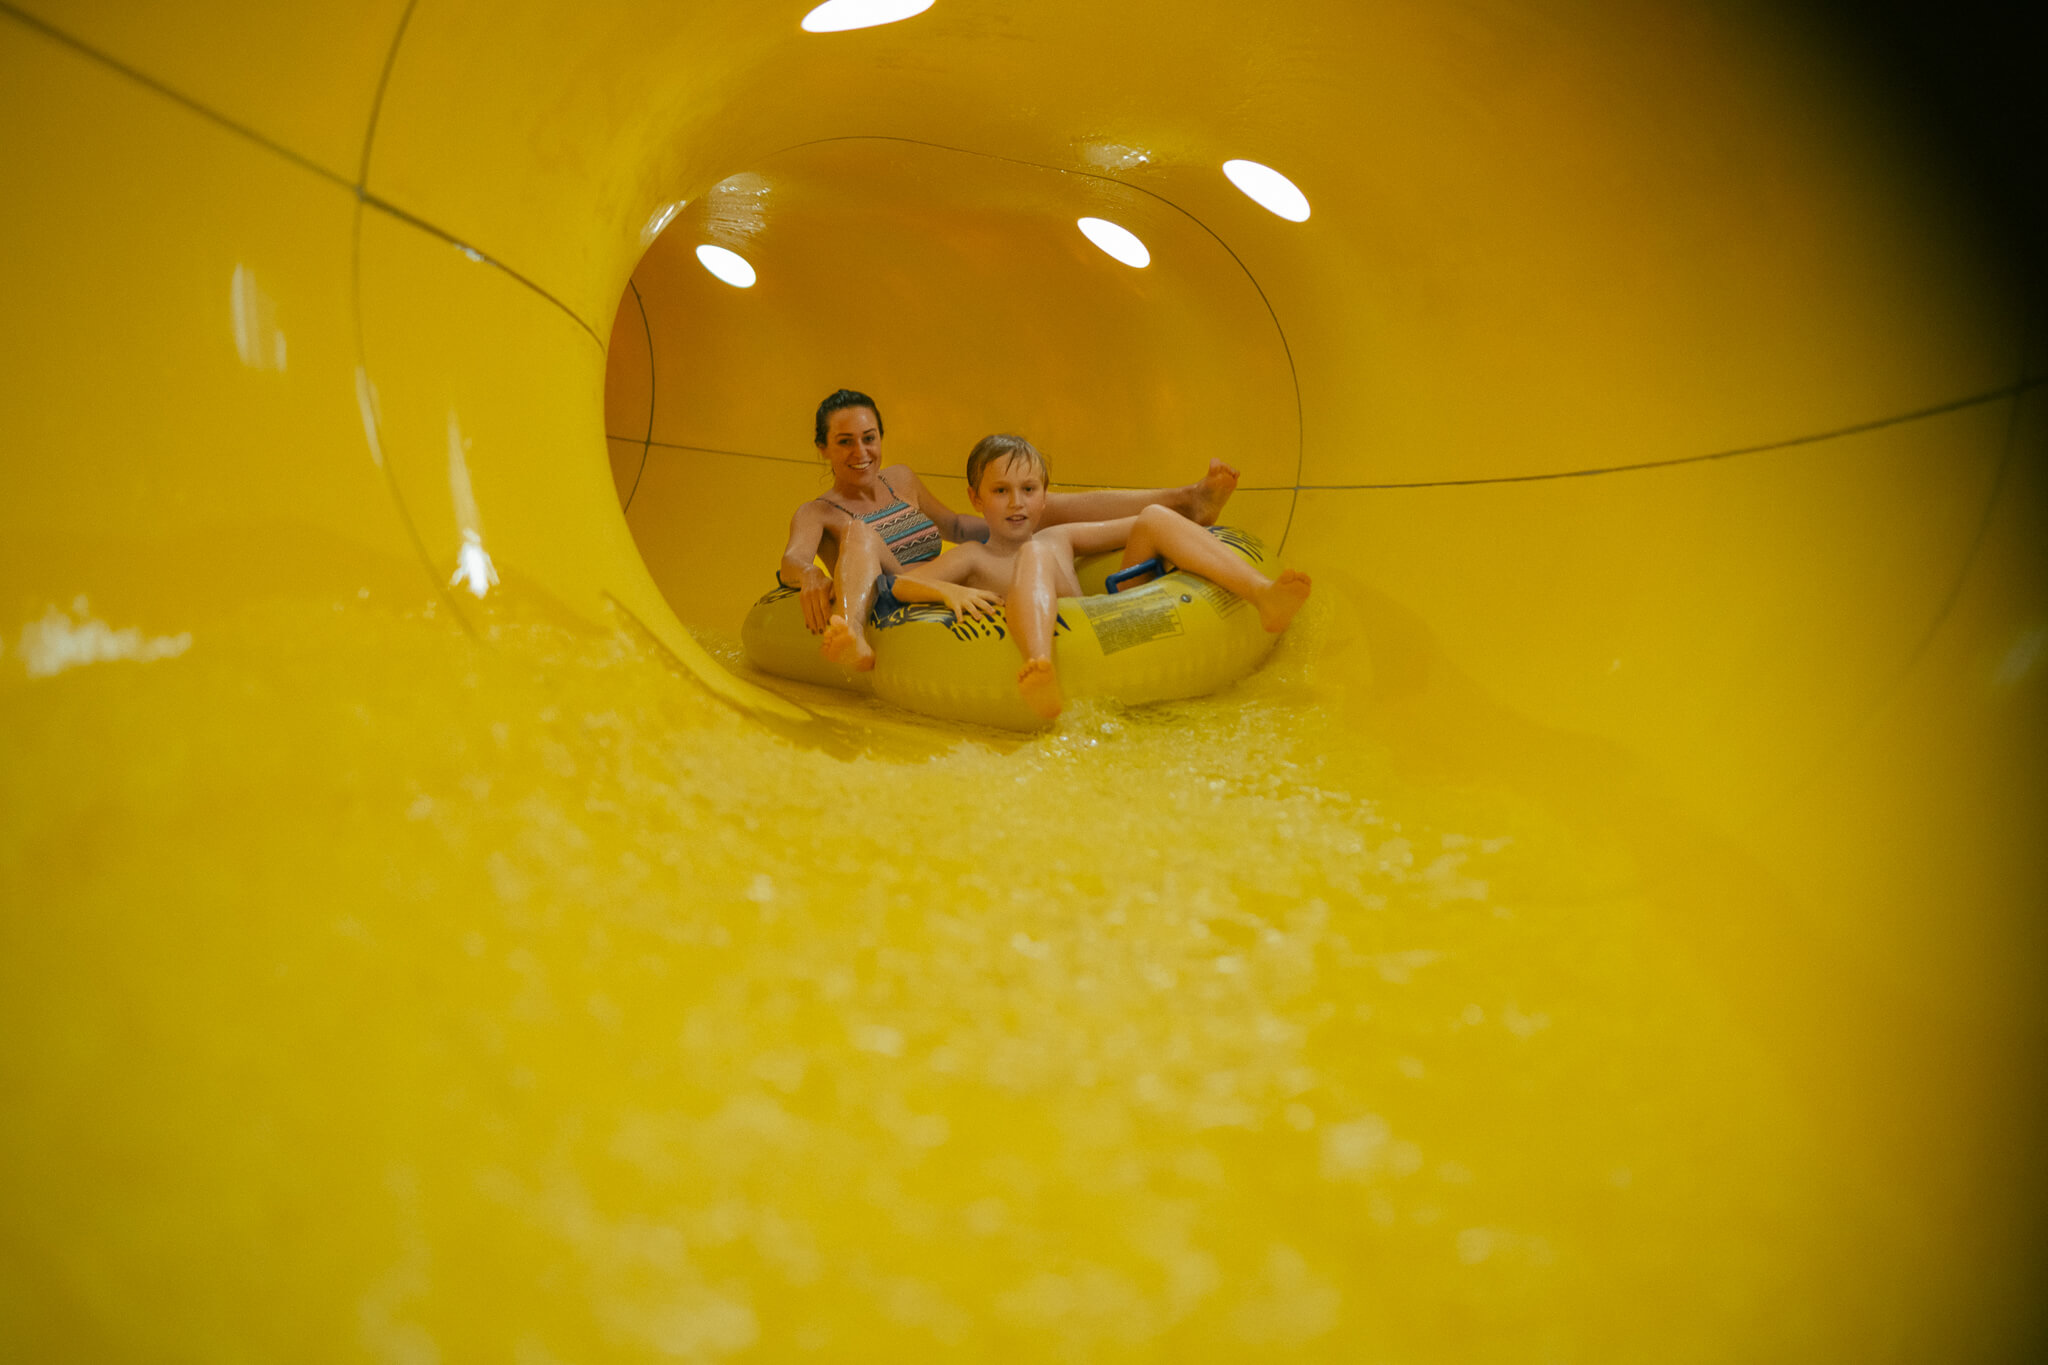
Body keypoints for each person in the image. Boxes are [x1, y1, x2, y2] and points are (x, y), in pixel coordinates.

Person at [827, 433, 1310, 720]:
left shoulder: (1061, 538)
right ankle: (1040, 666)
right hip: (1056, 646)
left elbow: (1152, 527)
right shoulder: (974, 557)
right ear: (977, 499)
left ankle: (1262, 594)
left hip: (1109, 620)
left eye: (1028, 490)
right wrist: (948, 589)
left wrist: (1178, 513)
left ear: (1044, 497)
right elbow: (907, 585)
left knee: (1155, 519)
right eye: (1001, 491)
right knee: (1037, 552)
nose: (1016, 502)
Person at [777, 389, 1240, 647]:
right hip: (900, 592)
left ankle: (1185, 501)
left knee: (1036, 503)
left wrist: (1013, 511)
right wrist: (810, 579)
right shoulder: (818, 512)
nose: (861, 453)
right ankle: (851, 632)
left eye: (869, 438)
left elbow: (956, 528)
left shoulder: (901, 479)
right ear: (823, 447)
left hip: (954, 578)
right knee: (862, 533)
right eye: (844, 442)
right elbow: (794, 560)